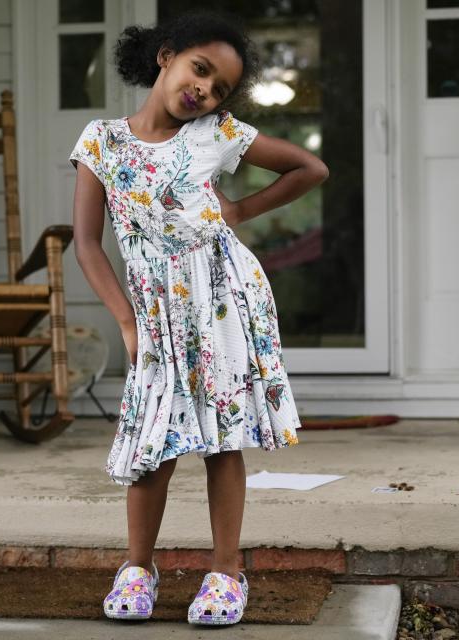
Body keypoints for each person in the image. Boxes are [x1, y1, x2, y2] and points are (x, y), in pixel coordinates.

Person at [68, 8, 328, 627]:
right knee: (152, 438)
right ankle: (137, 567)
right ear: (166, 56)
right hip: (155, 313)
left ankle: (227, 570)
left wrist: (237, 211)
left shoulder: (219, 134)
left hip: (220, 299)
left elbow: (309, 168)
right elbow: (85, 244)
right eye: (200, 70)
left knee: (221, 438)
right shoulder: (101, 141)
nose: (204, 90)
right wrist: (126, 321)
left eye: (218, 88)